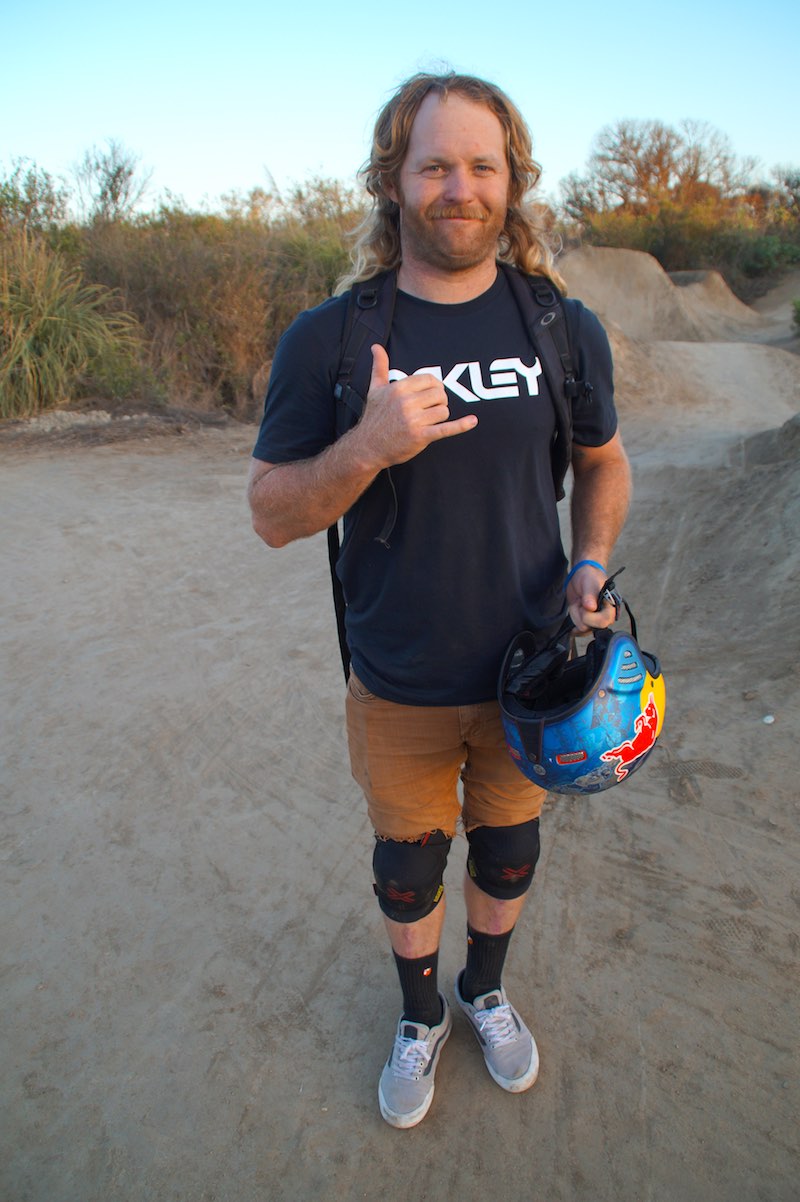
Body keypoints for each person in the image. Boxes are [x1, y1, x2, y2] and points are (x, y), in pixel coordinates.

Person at [247, 71, 631, 1129]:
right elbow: (273, 512)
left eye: (480, 165)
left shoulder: (557, 324)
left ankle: (483, 990)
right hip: (399, 676)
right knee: (407, 870)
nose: (457, 186)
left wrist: (588, 565)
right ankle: (420, 1013)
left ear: (511, 183)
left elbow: (602, 462)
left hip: (533, 678)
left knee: (509, 851)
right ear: (392, 179)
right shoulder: (329, 338)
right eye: (433, 164)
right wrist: (369, 443)